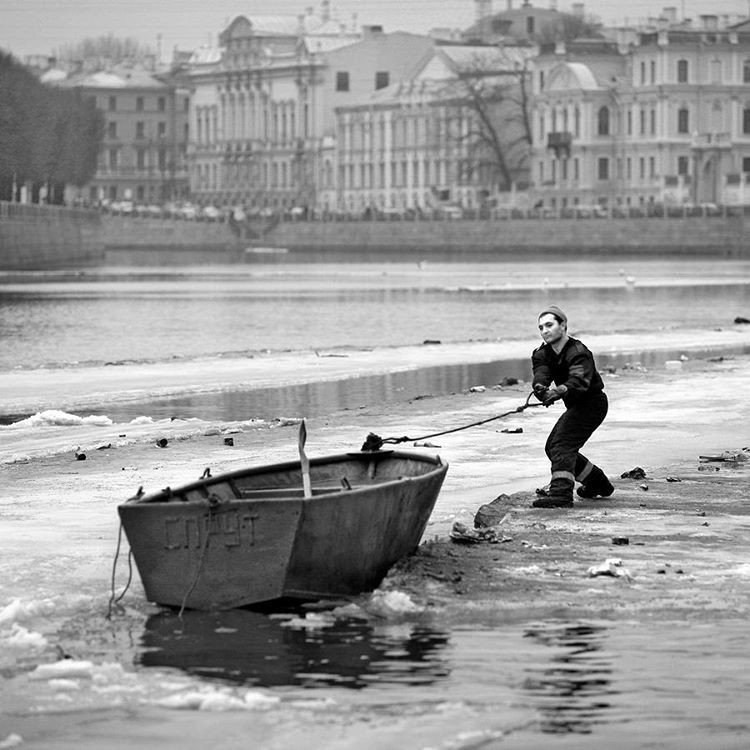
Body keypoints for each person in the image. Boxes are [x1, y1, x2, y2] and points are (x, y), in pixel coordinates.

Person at [530, 305, 613, 508]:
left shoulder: (578, 352)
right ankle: (597, 483)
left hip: (592, 404)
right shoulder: (542, 353)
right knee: (553, 448)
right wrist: (540, 388)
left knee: (562, 445)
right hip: (576, 406)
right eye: (541, 327)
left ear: (563, 325)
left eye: (549, 325)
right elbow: (542, 372)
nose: (545, 331)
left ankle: (561, 493)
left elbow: (578, 381)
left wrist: (557, 392)